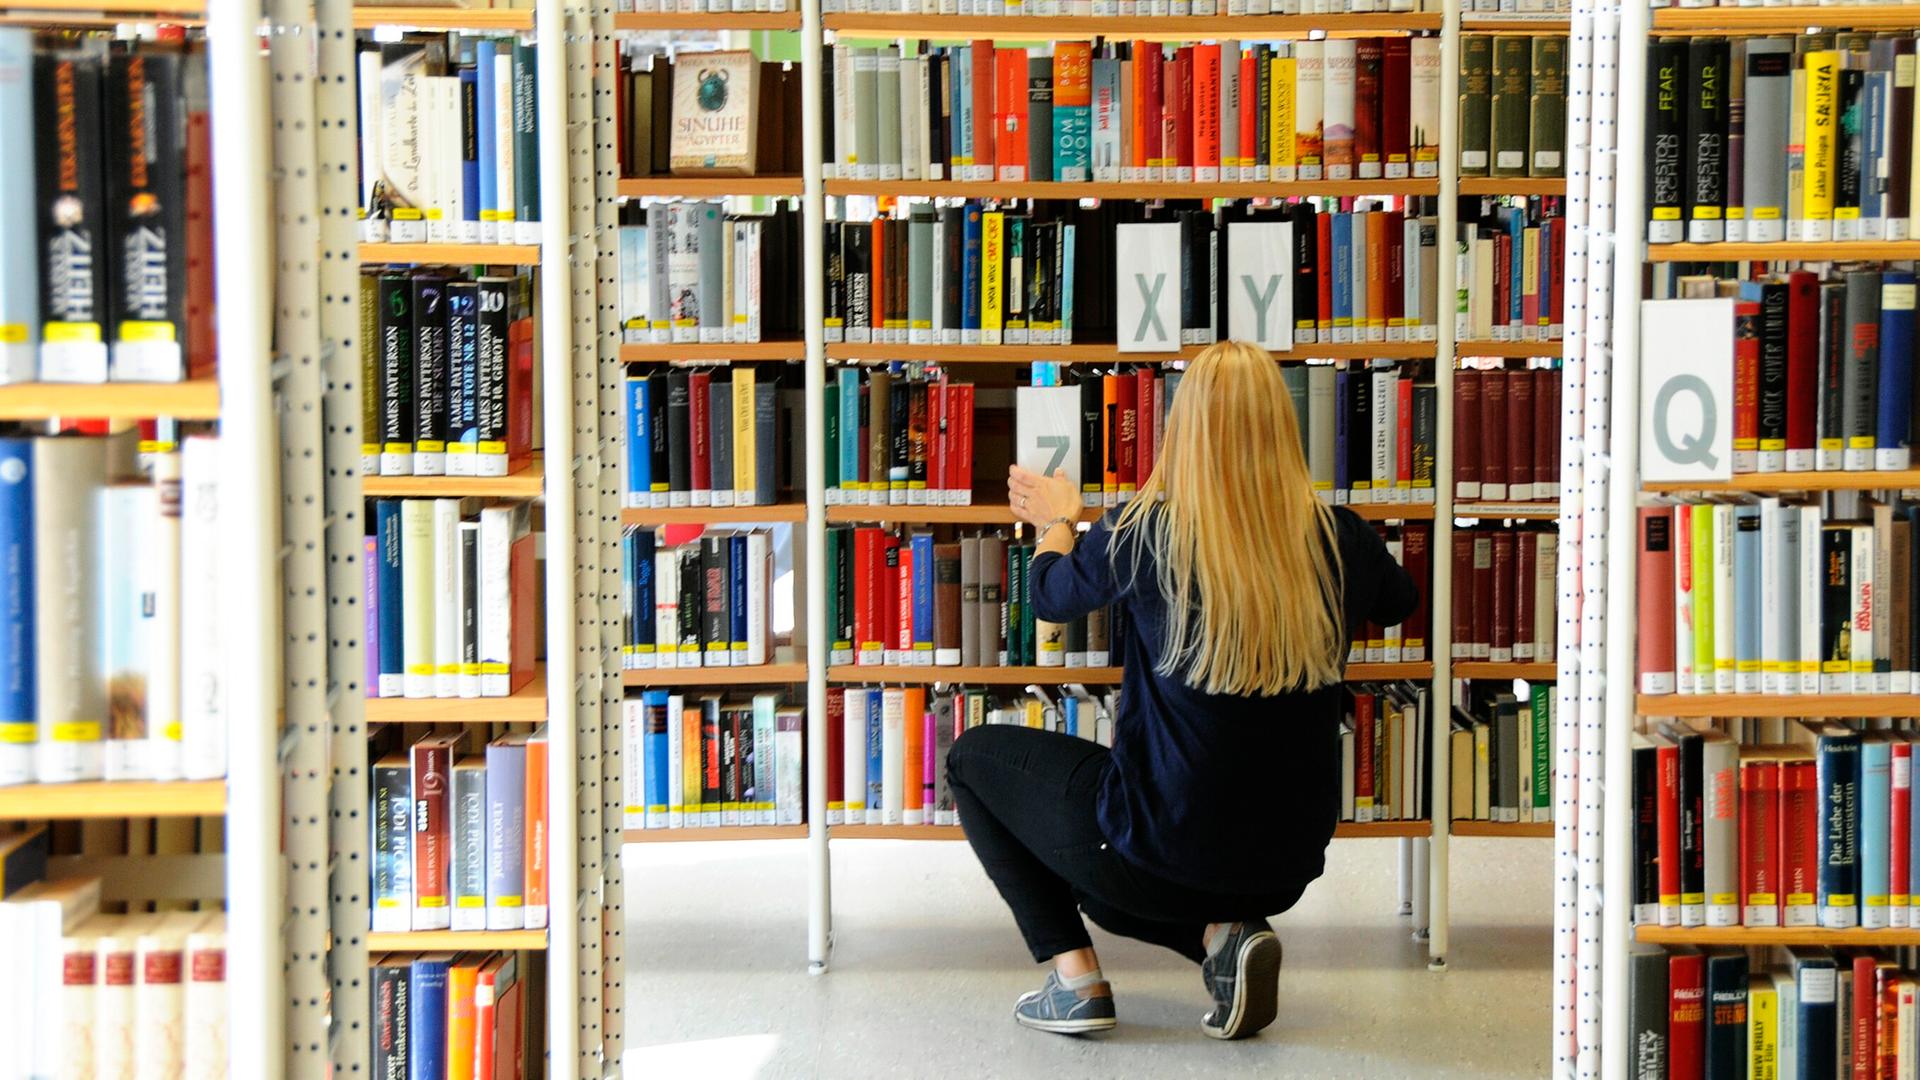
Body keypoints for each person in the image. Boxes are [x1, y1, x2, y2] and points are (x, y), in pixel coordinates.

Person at [946, 340, 1419, 1041]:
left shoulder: (1144, 534)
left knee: (973, 761)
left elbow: (1048, 595)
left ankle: (1076, 982)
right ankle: (1225, 938)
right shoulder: (1338, 536)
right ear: (1283, 428)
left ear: (1182, 430)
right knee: (1108, 870)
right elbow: (1400, 602)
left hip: (1164, 849)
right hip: (1286, 863)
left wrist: (1057, 521)